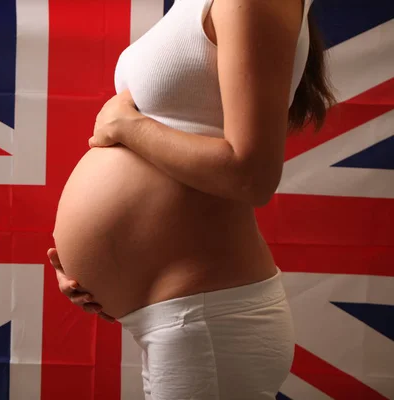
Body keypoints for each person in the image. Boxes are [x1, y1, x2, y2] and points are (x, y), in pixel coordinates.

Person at [49, 0, 335, 398]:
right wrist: (96, 268)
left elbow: (252, 175)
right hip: (186, 319)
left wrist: (128, 127)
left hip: (208, 321)